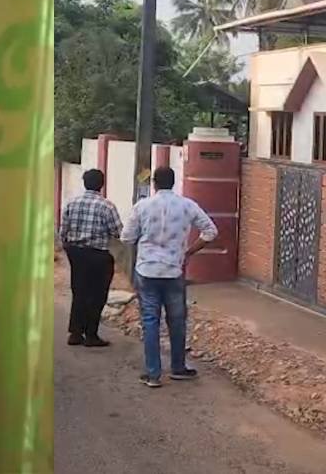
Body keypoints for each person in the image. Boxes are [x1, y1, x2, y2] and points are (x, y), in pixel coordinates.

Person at [121, 166, 217, 388]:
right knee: (177, 320)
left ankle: (153, 374)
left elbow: (126, 238)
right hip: (174, 270)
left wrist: (143, 242)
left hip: (147, 270)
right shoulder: (187, 205)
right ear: (174, 182)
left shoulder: (142, 206)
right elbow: (211, 231)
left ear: (154, 183)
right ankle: (178, 367)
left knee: (150, 321)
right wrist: (189, 252)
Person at [57, 169, 122, 347]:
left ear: (84, 183)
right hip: (98, 254)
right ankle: (91, 334)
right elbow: (117, 231)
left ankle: (75, 333)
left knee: (79, 291)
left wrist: (68, 247)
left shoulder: (72, 203)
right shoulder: (107, 206)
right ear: (102, 184)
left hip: (76, 253)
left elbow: (63, 231)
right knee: (97, 294)